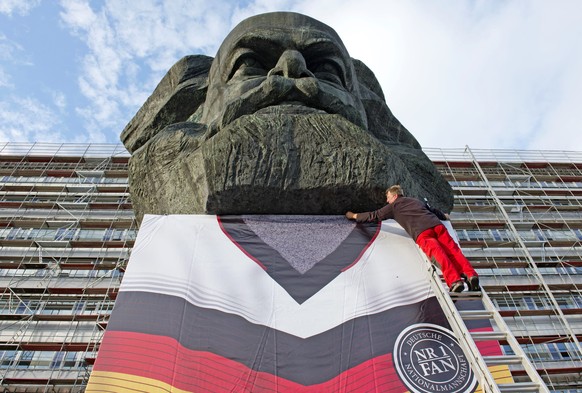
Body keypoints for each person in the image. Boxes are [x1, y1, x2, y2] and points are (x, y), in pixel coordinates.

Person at [345, 185, 479, 293]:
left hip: (422, 232)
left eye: (388, 197)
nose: (387, 200)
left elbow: (374, 215)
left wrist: (354, 215)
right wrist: (444, 216)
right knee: (453, 250)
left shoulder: (394, 206)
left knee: (439, 255)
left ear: (395, 195)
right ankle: (470, 274)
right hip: (437, 226)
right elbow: (432, 210)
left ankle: (455, 281)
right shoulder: (416, 200)